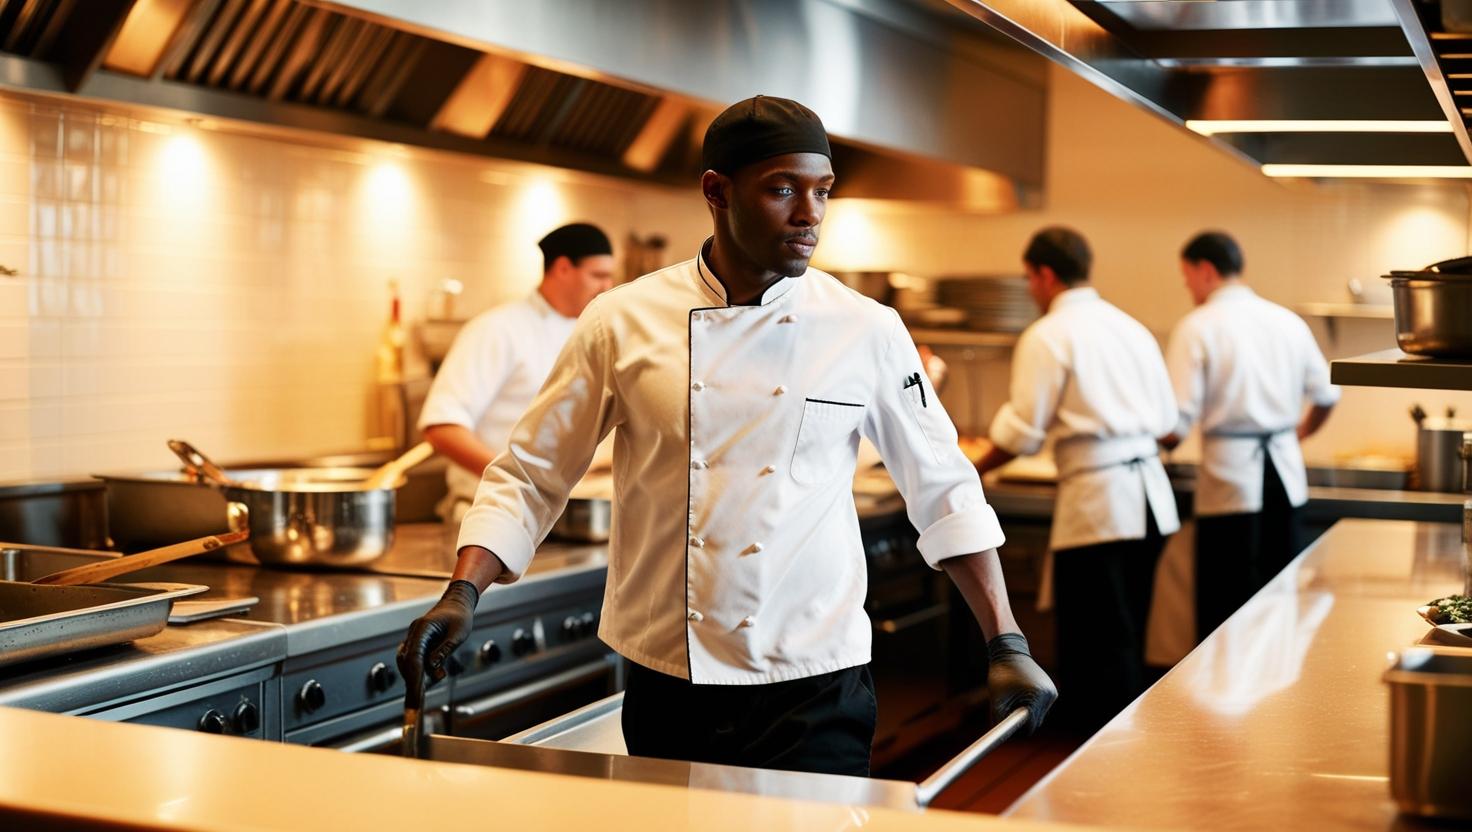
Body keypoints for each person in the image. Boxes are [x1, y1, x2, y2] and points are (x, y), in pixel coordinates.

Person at [398, 95, 1055, 777]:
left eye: (822, 192)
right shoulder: (621, 320)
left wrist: (1005, 639)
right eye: (781, 189)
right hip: (668, 677)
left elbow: (944, 487)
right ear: (717, 191)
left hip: (817, 676)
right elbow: (531, 471)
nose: (810, 215)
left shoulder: (867, 328)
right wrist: (462, 590)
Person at [974, 227, 1180, 734]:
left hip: (1102, 504)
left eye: (1028, 278)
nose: (1030, 289)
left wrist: (969, 467)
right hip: (1152, 498)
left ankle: (1096, 755)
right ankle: (1125, 746)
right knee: (1126, 633)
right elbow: (1170, 424)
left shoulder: (1048, 333)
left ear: (1045, 274)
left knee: (1096, 642)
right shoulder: (1132, 327)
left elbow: (1023, 429)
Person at [1161, 231, 1338, 641]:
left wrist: (1152, 440)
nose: (1188, 287)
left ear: (1205, 270)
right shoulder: (1286, 321)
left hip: (1230, 482)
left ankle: (1220, 701)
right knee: (1281, 604)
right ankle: (1277, 698)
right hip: (1285, 477)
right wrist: (1298, 434)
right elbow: (1328, 393)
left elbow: (1178, 420)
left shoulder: (1197, 326)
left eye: (1186, 277)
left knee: (1226, 610)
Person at [418, 223, 615, 521]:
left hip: (576, 512)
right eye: (598, 276)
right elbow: (442, 427)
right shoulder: (497, 329)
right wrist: (518, 480)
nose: (607, 287)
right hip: (498, 513)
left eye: (610, 276)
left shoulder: (592, 332)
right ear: (562, 268)